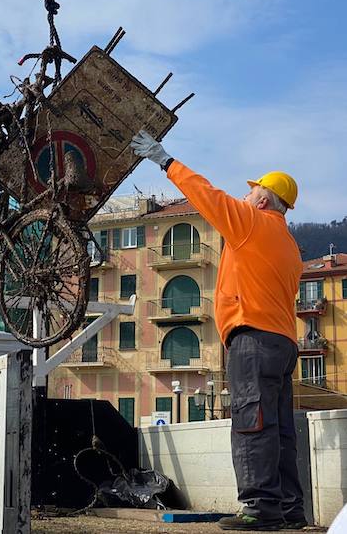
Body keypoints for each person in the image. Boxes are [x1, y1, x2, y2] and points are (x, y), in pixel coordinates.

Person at [131, 130, 306, 532]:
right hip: (283, 342)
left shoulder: (251, 222)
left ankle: (260, 509)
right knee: (279, 429)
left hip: (253, 339)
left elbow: (206, 195)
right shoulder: (290, 246)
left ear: (263, 199)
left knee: (252, 422)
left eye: (252, 191)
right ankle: (289, 509)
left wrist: (164, 159)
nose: (245, 196)